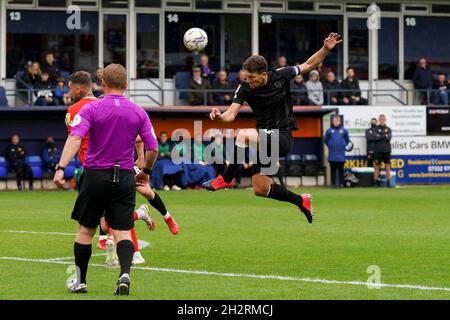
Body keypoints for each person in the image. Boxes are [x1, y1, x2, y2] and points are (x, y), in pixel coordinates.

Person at [203, 32, 343, 224]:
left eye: (252, 77)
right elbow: (229, 115)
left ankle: (226, 178)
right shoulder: (244, 88)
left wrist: (326, 49)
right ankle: (301, 201)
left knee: (243, 134)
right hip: (264, 140)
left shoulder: (281, 75)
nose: (249, 80)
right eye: (247, 77)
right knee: (260, 189)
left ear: (263, 74)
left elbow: (308, 65)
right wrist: (218, 117)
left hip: (282, 137)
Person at [55, 64, 160, 295]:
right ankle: (124, 274)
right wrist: (146, 171)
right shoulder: (138, 111)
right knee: (122, 231)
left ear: (102, 83)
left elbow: (75, 138)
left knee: (85, 231)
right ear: (126, 85)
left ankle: (80, 281)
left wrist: (61, 167)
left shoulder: (91, 109)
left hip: (94, 175)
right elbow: (153, 147)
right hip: (123, 176)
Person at [324, 115, 349, 188]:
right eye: (334, 121)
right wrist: (331, 145)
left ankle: (341, 184)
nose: (336, 122)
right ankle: (333, 184)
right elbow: (325, 140)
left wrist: (342, 144)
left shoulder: (344, 130)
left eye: (337, 121)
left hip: (341, 154)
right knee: (333, 171)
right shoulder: (329, 130)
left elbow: (347, 140)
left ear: (340, 121)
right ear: (332, 122)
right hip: (332, 154)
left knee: (341, 170)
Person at [373, 114, 392, 187]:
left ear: (385, 120)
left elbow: (389, 138)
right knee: (377, 166)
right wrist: (384, 135)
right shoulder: (375, 129)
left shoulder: (389, 129)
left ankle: (388, 182)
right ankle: (376, 182)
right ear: (378, 120)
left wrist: (381, 135)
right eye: (380, 119)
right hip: (378, 150)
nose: (382, 120)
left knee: (387, 165)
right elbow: (375, 137)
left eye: (383, 119)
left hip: (387, 150)